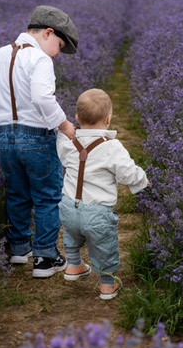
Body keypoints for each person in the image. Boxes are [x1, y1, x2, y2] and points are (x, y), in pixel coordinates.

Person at [0, 5, 78, 278]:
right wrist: (64, 124)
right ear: (48, 33)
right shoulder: (40, 60)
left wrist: (10, 97)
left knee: (17, 193)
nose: (57, 53)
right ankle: (46, 258)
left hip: (4, 136)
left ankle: (19, 250)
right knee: (48, 196)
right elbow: (42, 98)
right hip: (36, 135)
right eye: (59, 45)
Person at [57, 88, 148, 299]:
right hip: (97, 212)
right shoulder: (112, 147)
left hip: (68, 206)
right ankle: (107, 283)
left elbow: (60, 142)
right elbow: (127, 172)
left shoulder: (68, 143)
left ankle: (74, 265)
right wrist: (142, 181)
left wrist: (63, 129)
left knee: (71, 233)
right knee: (104, 245)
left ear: (77, 118)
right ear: (108, 120)